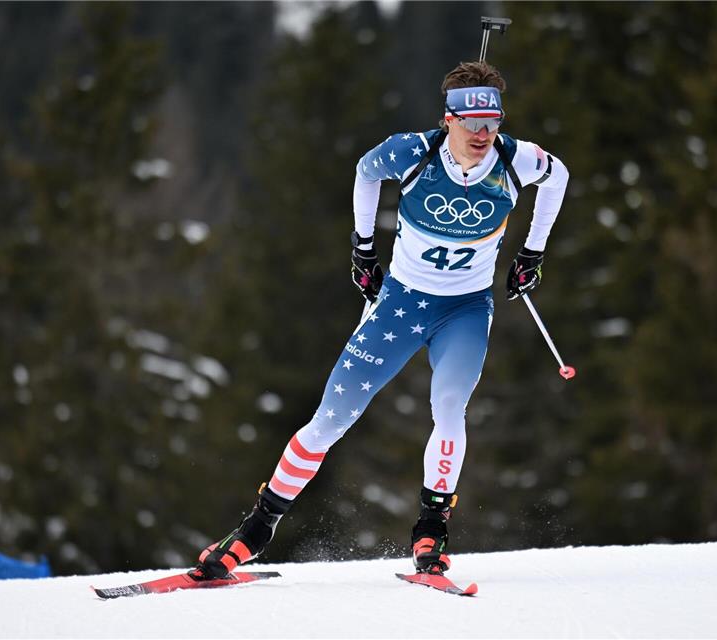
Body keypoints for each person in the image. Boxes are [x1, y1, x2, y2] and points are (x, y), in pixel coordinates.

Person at [194, 60, 569, 579]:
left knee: (450, 407)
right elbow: (365, 173)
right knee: (330, 419)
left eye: (493, 121)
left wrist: (532, 253)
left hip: (465, 308)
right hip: (400, 305)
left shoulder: (516, 159)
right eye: (472, 122)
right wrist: (363, 248)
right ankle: (257, 529)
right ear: (448, 120)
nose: (483, 133)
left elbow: (560, 178)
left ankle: (431, 532)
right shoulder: (413, 152)